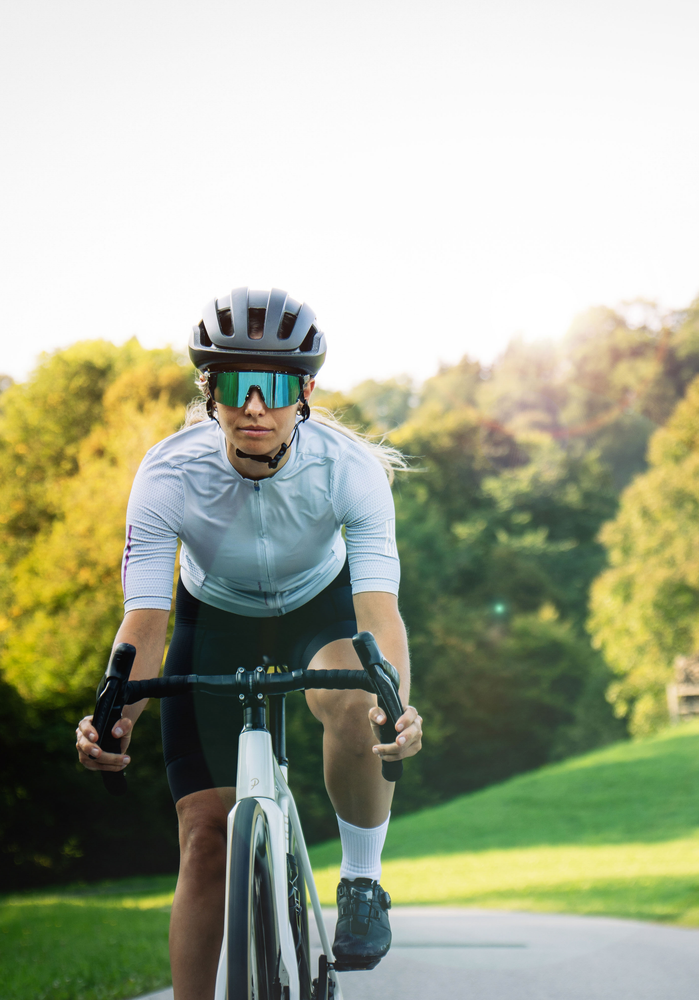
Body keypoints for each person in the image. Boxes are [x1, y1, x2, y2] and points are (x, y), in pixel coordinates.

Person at [74, 287, 422, 1000]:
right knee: (205, 840)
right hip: (217, 620)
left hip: (318, 612)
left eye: (273, 386)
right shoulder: (169, 473)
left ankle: (361, 880)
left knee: (352, 698)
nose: (254, 406)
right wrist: (116, 718)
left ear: (305, 392)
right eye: (235, 384)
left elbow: (379, 615)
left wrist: (395, 707)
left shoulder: (348, 469)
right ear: (210, 392)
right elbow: (145, 622)